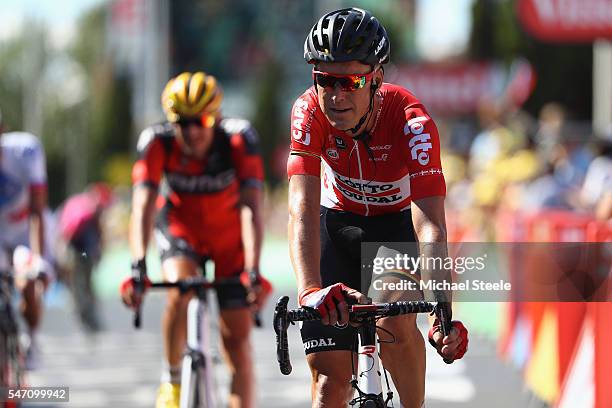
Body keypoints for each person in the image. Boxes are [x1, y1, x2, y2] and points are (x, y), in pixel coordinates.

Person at [287, 8, 469, 407]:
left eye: (350, 82)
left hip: (395, 230)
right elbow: (301, 208)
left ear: (376, 80)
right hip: (335, 226)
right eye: (325, 81)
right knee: (327, 383)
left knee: (394, 319)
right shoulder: (307, 113)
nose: (336, 97)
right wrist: (309, 293)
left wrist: (442, 312)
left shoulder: (411, 123)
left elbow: (431, 226)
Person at [120, 71, 272, 408]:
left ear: (215, 117)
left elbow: (251, 208)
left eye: (200, 121)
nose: (191, 131)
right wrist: (138, 266)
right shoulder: (156, 141)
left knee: (238, 346)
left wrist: (253, 268)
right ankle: (172, 379)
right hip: (181, 229)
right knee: (180, 288)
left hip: (229, 236)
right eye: (182, 122)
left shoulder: (238, 139)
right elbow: (143, 206)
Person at [0, 108, 52, 370]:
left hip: (24, 230)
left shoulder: (26, 151)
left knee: (28, 281)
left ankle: (31, 338)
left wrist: (38, 258)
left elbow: (37, 211)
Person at [57, 182, 114, 332]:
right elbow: (69, 234)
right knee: (80, 283)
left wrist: (98, 250)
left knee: (85, 283)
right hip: (78, 250)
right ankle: (85, 315)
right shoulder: (84, 214)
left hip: (83, 251)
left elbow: (100, 232)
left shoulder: (88, 207)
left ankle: (88, 315)